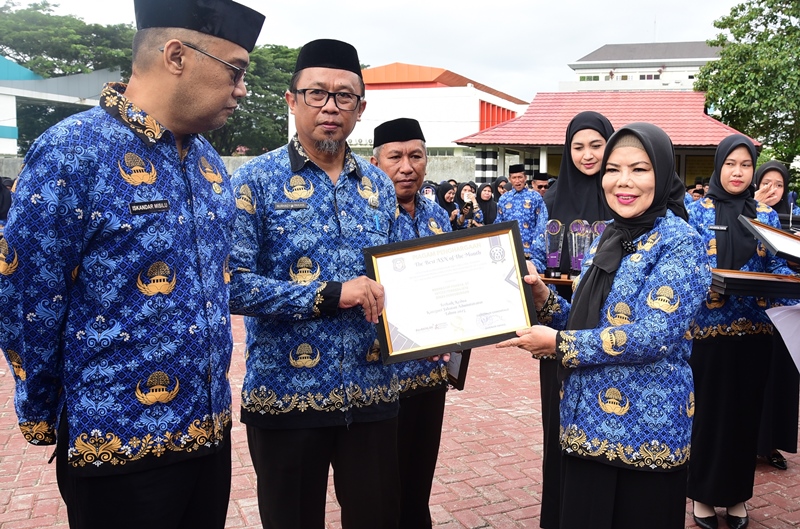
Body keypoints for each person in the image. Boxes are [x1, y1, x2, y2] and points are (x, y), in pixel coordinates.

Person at [0, 1, 265, 527]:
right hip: (115, 442)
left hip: (207, 433)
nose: (241, 89)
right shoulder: (73, 151)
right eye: (235, 70)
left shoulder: (210, 163)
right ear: (176, 56)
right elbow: (27, 294)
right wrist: (42, 410)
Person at [499, 123, 711, 529]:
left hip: (645, 433)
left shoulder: (681, 242)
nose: (622, 181)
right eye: (613, 169)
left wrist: (561, 345)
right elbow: (589, 321)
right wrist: (544, 300)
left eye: (639, 169)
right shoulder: (609, 236)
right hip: (585, 426)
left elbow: (655, 334)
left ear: (663, 174)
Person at [228, 39, 401, 529]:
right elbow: (232, 285)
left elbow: (395, 278)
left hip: (372, 393)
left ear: (360, 108)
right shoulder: (254, 181)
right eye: (316, 93)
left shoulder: (378, 186)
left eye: (344, 96)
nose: (330, 106)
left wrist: (433, 334)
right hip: (286, 396)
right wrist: (327, 294)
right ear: (292, 100)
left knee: (377, 519)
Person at [686, 136, 798, 529]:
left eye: (746, 165)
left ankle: (736, 497)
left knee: (744, 417)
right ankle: (702, 495)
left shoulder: (765, 215)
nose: (738, 172)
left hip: (755, 334)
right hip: (707, 335)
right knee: (708, 416)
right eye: (731, 164)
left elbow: (777, 267)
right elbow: (686, 266)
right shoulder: (694, 211)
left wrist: (795, 285)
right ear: (719, 166)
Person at [370, 117, 451, 529]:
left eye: (416, 156)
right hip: (383, 379)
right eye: (395, 157)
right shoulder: (365, 216)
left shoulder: (438, 216)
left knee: (419, 480)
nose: (407, 167)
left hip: (432, 374)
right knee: (383, 487)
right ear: (375, 162)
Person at [537, 110, 614, 529]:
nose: (587, 155)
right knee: (560, 424)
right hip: (560, 330)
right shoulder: (549, 202)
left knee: (606, 422)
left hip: (610, 335)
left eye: (596, 145)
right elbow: (533, 258)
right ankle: (560, 515)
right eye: (578, 146)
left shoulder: (621, 196)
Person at [753, 160, 799, 472]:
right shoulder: (751, 214)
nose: (772, 190)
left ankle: (771, 445)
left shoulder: (790, 218)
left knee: (779, 380)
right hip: (756, 311)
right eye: (766, 183)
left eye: (779, 185)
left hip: (785, 308)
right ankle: (751, 443)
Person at [495, 163, 547, 271]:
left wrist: (537, 249)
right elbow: (499, 224)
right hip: (510, 250)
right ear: (510, 179)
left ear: (525, 178)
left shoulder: (535, 197)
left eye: (520, 177)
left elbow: (542, 224)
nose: (517, 181)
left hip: (531, 252)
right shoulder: (504, 199)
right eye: (514, 178)